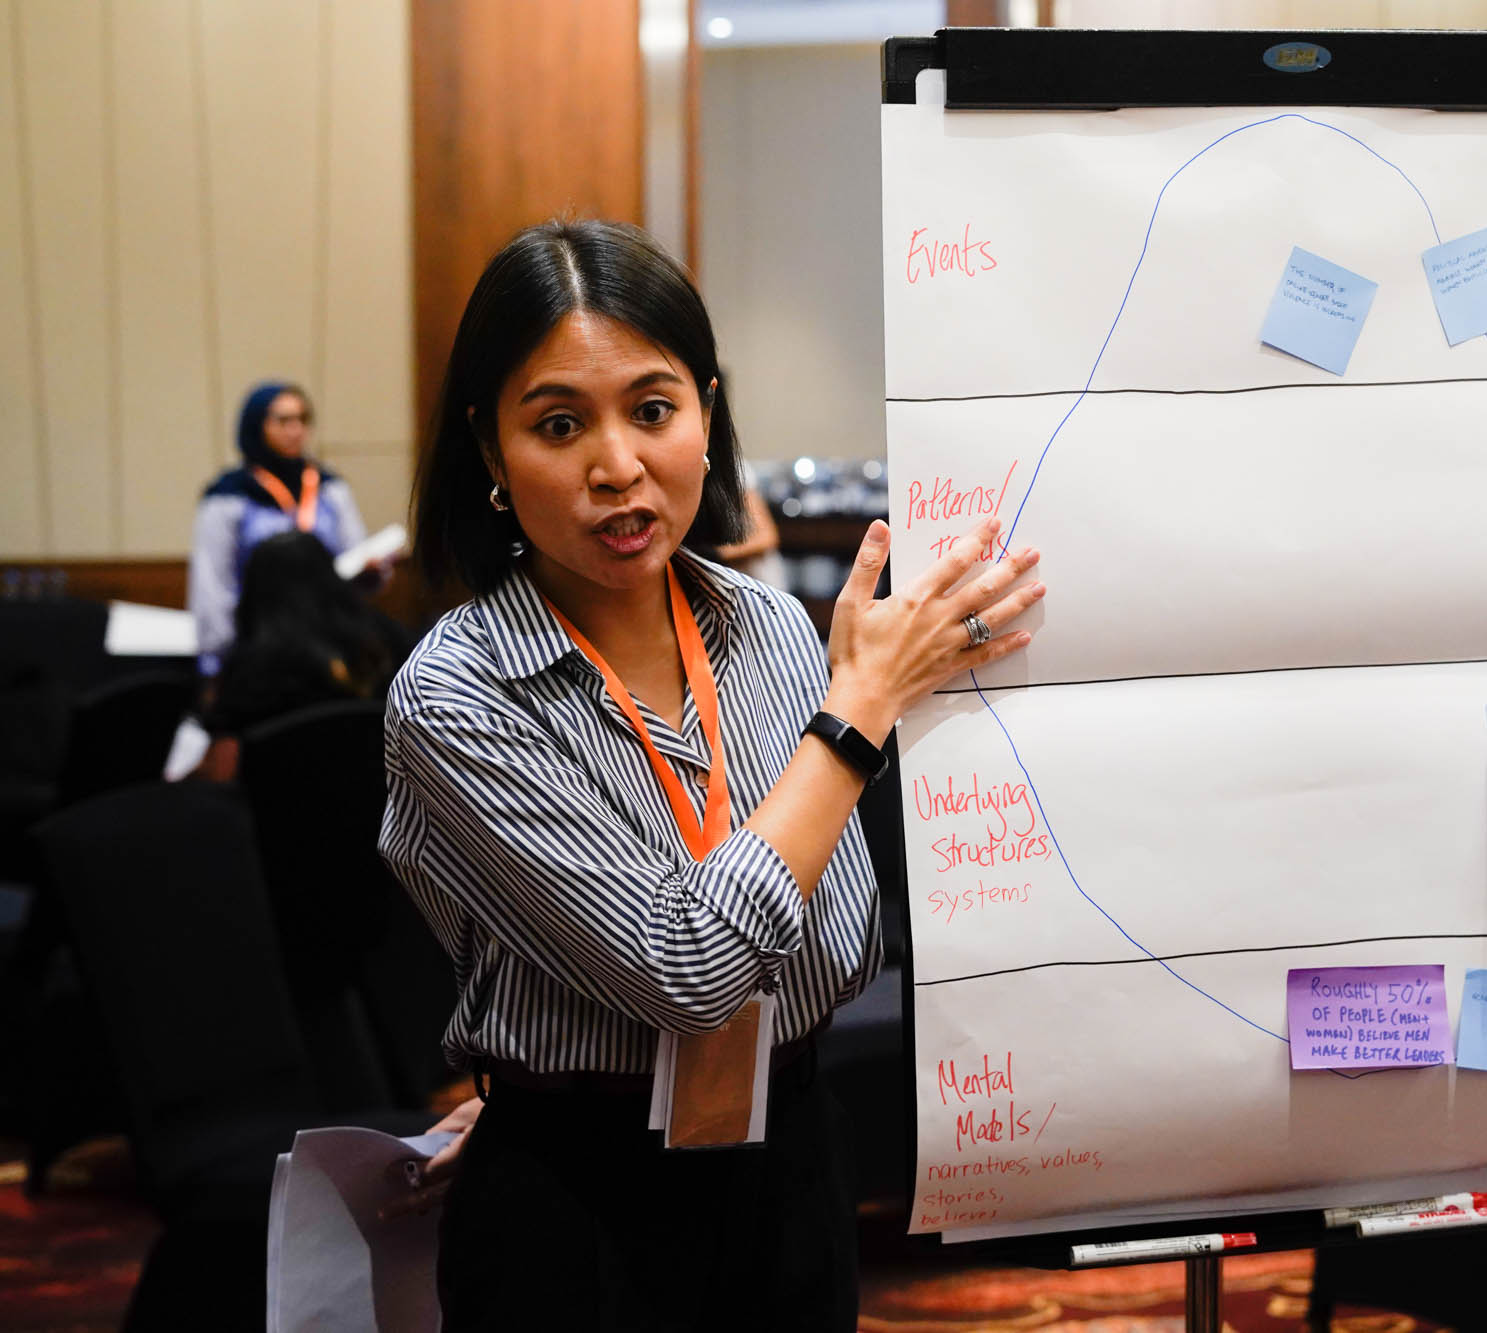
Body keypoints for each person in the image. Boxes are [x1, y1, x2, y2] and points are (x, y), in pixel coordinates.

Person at [377, 218, 1045, 1329]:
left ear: (706, 413)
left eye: (652, 410)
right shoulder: (455, 696)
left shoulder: (774, 632)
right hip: (576, 1197)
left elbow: (843, 944)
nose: (617, 466)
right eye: (556, 425)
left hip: (790, 1159)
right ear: (491, 455)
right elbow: (686, 965)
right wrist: (859, 711)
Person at [185, 530, 411, 782]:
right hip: (382, 804)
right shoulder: (387, 643)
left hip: (280, 813)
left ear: (254, 594)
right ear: (331, 577)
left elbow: (221, 771)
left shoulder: (250, 671)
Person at [188, 381, 371, 676]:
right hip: (258, 644)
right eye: (284, 420)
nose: (296, 430)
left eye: (303, 419)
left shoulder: (329, 488)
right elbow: (213, 586)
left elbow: (355, 554)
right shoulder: (228, 497)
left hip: (332, 638)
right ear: (255, 425)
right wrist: (217, 663)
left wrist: (371, 572)